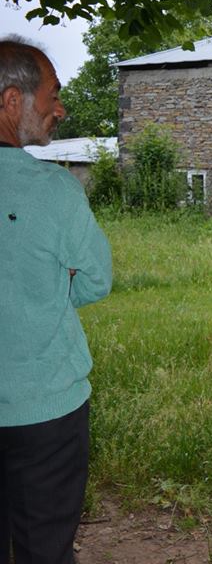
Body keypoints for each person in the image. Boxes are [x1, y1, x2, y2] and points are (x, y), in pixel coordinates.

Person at [0, 36, 112, 564]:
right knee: (44, 550)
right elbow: (96, 281)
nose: (60, 109)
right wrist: (48, 288)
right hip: (44, 409)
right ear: (12, 101)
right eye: (53, 95)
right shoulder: (53, 190)